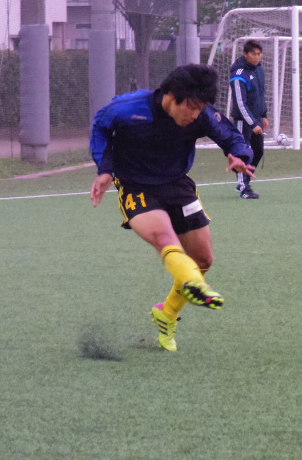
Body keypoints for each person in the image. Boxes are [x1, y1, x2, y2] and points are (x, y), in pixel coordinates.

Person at [89, 64, 256, 351]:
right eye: (191, 107)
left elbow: (231, 136)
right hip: (136, 186)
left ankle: (167, 314)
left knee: (203, 260)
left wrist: (238, 154)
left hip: (178, 185)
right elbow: (100, 127)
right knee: (165, 239)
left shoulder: (200, 115)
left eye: (200, 108)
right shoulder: (128, 108)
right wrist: (105, 169)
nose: (195, 115)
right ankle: (193, 283)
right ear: (171, 96)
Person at [229, 40, 269, 199]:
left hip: (257, 119)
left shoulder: (259, 70)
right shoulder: (238, 74)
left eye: (259, 54)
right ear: (246, 54)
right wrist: (252, 123)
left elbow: (261, 95)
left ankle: (244, 181)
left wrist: (263, 115)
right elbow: (240, 103)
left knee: (258, 151)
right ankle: (244, 188)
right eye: (253, 54)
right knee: (243, 153)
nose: (257, 57)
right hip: (243, 121)